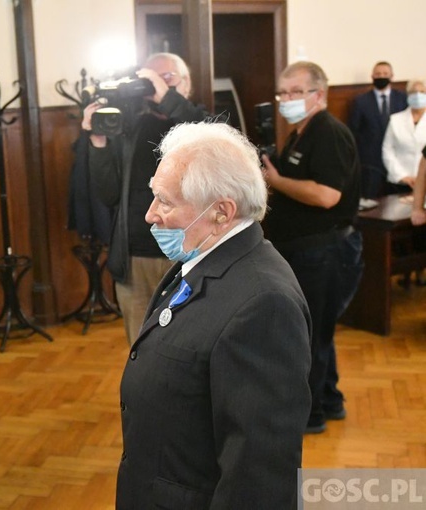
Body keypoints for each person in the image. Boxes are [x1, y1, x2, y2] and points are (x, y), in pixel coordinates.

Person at [117, 122, 311, 509]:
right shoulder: (201, 256)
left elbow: (259, 474)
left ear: (222, 211)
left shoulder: (264, 305)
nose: (150, 215)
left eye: (166, 202)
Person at [262, 61, 364, 434]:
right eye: (282, 92)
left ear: (318, 95)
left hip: (325, 252)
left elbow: (325, 196)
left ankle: (311, 414)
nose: (286, 99)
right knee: (317, 330)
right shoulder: (300, 132)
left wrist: (276, 180)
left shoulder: (328, 132)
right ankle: (330, 400)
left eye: (295, 92)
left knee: (311, 335)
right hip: (304, 250)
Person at [83, 53, 207, 345]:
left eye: (166, 78)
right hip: (136, 257)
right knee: (142, 347)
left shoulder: (201, 122)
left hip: (189, 253)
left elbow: (206, 138)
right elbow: (109, 194)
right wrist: (97, 142)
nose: (154, 87)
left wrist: (166, 97)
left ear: (186, 84)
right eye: (148, 80)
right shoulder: (132, 127)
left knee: (189, 344)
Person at [348, 61, 408, 198]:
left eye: (385, 74)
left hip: (398, 159)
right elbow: (353, 130)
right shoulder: (361, 101)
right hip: (370, 162)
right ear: (372, 76)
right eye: (378, 74)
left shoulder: (402, 99)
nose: (381, 76)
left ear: (392, 76)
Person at [382, 79, 426, 194]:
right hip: (399, 182)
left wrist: (420, 178)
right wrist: (402, 176)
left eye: (422, 92)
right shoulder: (396, 120)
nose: (418, 96)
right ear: (407, 95)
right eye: (413, 92)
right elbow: (387, 150)